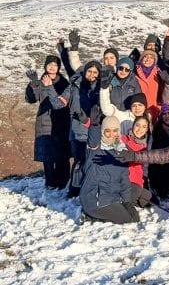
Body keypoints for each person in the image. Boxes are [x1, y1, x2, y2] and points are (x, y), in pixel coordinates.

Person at [46, 60, 101, 197]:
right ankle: (75, 190)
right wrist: (49, 88)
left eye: (95, 72)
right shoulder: (74, 85)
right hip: (77, 130)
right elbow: (58, 104)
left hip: (96, 130)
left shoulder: (102, 88)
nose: (92, 74)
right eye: (89, 71)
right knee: (79, 161)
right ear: (85, 71)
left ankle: (93, 189)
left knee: (95, 161)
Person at [80, 116, 139, 224]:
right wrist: (94, 126)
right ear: (102, 131)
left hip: (111, 193)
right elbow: (93, 140)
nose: (112, 135)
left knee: (135, 213)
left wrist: (127, 202)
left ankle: (118, 206)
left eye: (115, 131)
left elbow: (124, 179)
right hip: (95, 198)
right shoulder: (95, 149)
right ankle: (89, 215)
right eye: (107, 131)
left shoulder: (121, 150)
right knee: (126, 218)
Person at [26, 55, 71, 189]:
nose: (52, 67)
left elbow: (64, 101)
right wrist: (33, 83)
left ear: (58, 67)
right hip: (44, 120)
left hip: (62, 120)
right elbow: (32, 99)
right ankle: (50, 183)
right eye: (49, 64)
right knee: (48, 155)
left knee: (63, 154)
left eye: (55, 65)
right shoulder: (39, 82)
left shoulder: (64, 83)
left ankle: (63, 182)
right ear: (45, 66)